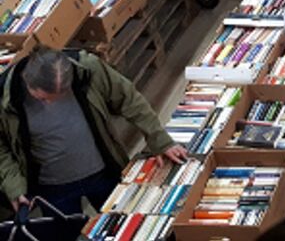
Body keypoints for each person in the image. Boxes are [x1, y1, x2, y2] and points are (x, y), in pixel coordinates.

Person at [0, 49, 187, 215]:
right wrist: (14, 186)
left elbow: (130, 100)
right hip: (52, 188)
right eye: (42, 99)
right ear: (26, 80)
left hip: (103, 172)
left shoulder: (88, 69)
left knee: (121, 222)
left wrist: (161, 141)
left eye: (60, 96)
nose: (50, 104)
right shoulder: (5, 96)